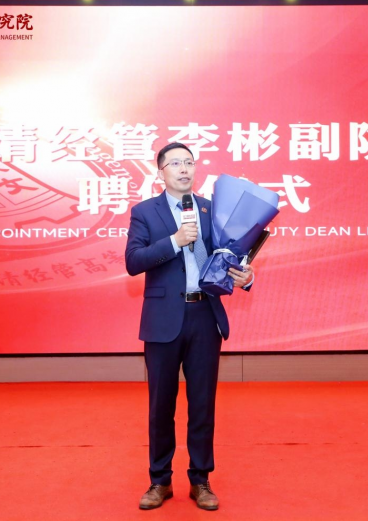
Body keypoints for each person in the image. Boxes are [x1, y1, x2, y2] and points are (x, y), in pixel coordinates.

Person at [125, 142, 253, 511]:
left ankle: (201, 480)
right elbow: (133, 261)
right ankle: (159, 480)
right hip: (163, 320)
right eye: (175, 163)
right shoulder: (144, 212)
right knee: (161, 406)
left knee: (202, 405)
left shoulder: (212, 210)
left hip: (204, 317)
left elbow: (230, 256)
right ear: (160, 172)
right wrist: (174, 241)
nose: (184, 169)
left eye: (189, 162)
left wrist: (245, 276)